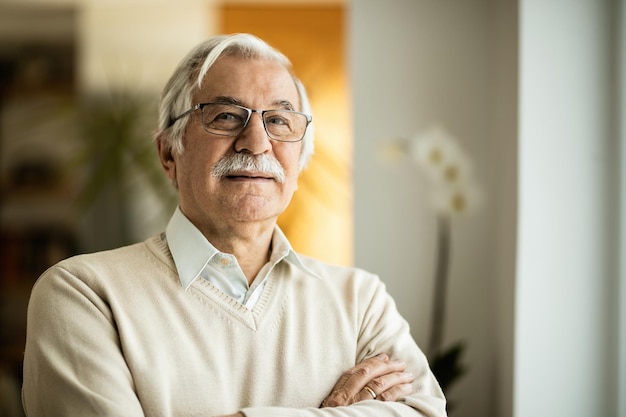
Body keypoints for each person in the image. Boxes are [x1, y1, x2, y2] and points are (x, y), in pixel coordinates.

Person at [22, 33, 446, 417]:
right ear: (169, 152)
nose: (257, 142)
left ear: (300, 160)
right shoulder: (83, 294)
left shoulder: (360, 301)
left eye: (279, 121)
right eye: (226, 116)